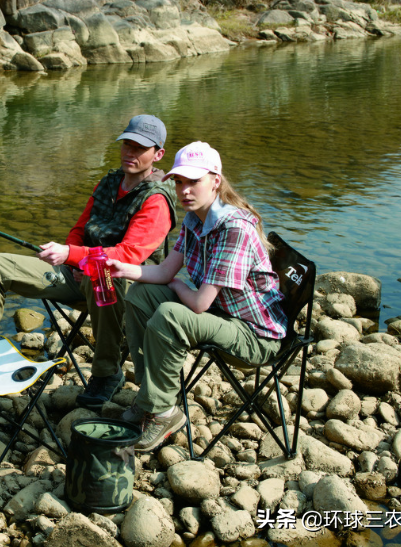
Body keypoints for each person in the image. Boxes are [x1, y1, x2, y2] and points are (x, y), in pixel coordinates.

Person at [0, 115, 177, 409]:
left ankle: (107, 373)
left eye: (140, 148)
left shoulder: (157, 200)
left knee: (101, 277)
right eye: (127, 144)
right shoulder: (108, 182)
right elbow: (79, 230)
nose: (130, 152)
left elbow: (129, 255)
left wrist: (74, 258)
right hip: (77, 273)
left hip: (124, 288)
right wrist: (73, 260)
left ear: (158, 154)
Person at [107, 141, 287, 453]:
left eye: (193, 181)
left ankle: (164, 412)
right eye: (179, 182)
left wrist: (178, 286)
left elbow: (199, 303)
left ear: (215, 180)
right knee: (140, 294)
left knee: (170, 315)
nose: (184, 190)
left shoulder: (234, 228)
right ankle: (150, 397)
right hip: (221, 315)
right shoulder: (195, 219)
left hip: (254, 336)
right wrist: (123, 269)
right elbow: (164, 271)